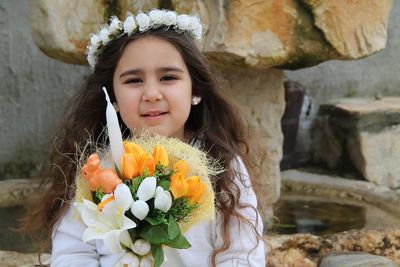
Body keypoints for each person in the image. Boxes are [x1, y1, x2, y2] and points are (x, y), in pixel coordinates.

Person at [22, 9, 266, 267]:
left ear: (196, 89)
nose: (151, 93)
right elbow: (73, 254)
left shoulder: (223, 164)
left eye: (168, 78)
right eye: (134, 80)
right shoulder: (96, 169)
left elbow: (242, 254)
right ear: (112, 97)